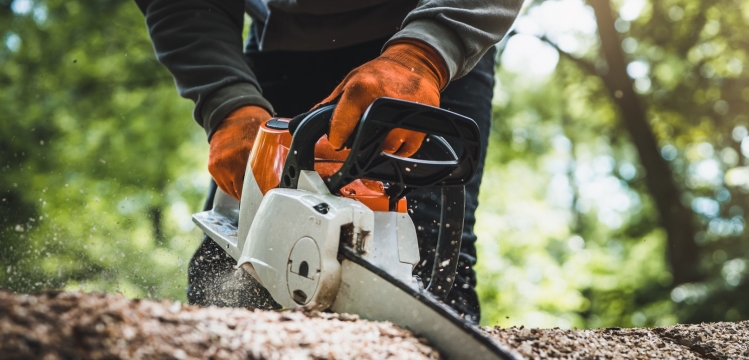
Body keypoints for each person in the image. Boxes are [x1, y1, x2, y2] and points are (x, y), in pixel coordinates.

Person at [135, 0, 520, 324]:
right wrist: (228, 102)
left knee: (433, 252)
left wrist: (425, 53)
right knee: (236, 258)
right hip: (279, 46)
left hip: (433, 30)